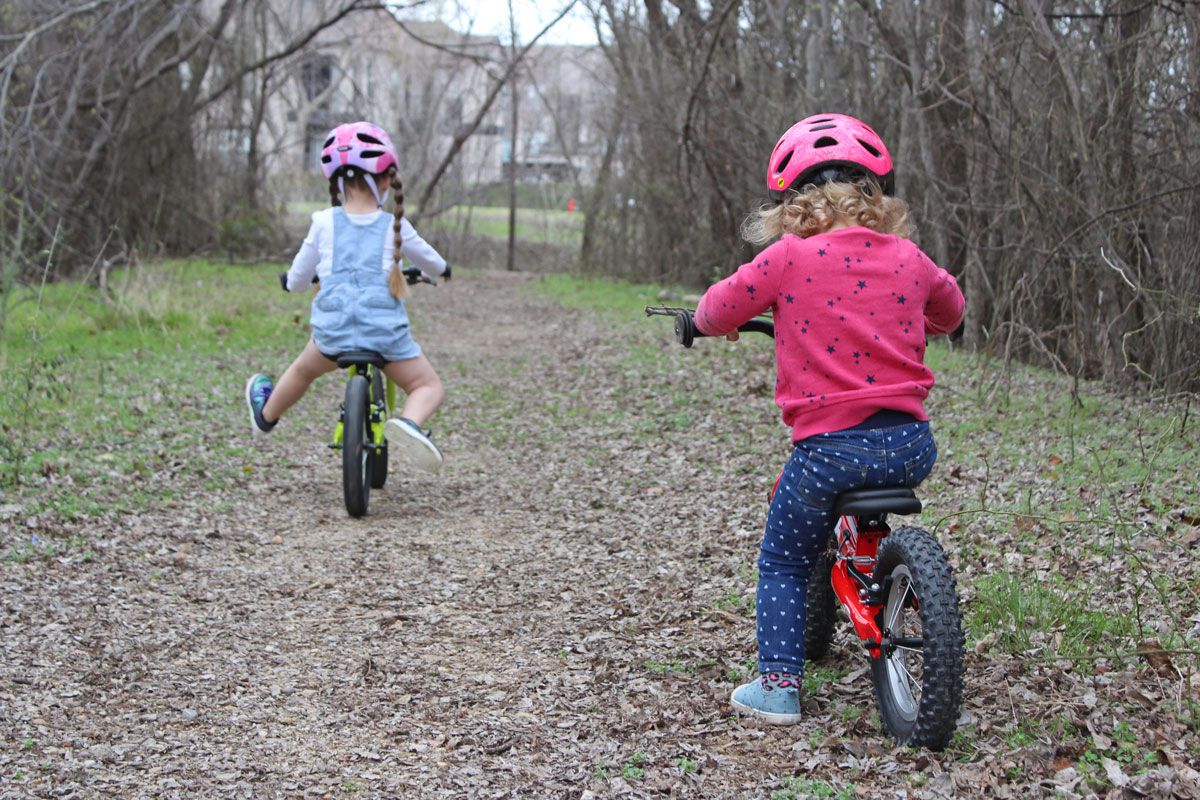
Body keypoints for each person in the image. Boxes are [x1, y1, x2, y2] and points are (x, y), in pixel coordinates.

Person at [693, 113, 965, 724]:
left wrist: (706, 322)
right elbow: (950, 310)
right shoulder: (910, 257)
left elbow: (716, 307)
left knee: (785, 559)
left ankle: (779, 686)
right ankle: (902, 598)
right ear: (874, 197)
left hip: (829, 450)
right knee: (863, 488)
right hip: (909, 445)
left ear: (795, 202)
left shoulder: (786, 259)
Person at [245, 121, 449, 473]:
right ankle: (409, 423)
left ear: (336, 181)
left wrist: (291, 284)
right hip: (385, 336)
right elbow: (431, 260)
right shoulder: (393, 226)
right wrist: (444, 270)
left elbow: (298, 277)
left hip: (333, 334)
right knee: (428, 385)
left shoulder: (323, 222)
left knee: (302, 371)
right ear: (386, 180)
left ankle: (266, 415)